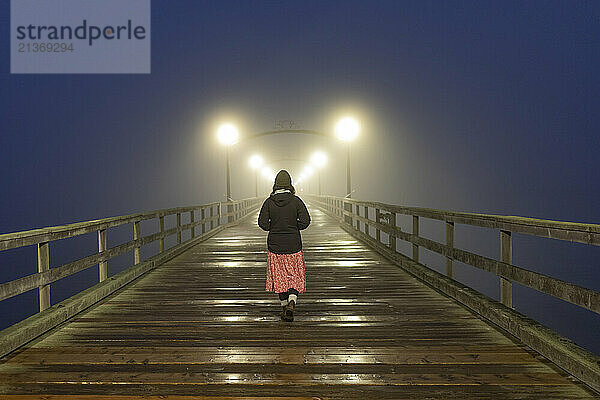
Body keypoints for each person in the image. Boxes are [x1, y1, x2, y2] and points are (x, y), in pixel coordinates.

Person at [258, 170, 310, 322]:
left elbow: (262, 223)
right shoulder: (296, 201)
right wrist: (294, 227)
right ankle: (292, 302)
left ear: (275, 185)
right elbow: (306, 221)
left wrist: (273, 228)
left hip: (275, 246)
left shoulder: (269, 202)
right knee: (294, 276)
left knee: (280, 278)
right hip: (294, 245)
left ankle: (283, 307)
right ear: (290, 184)